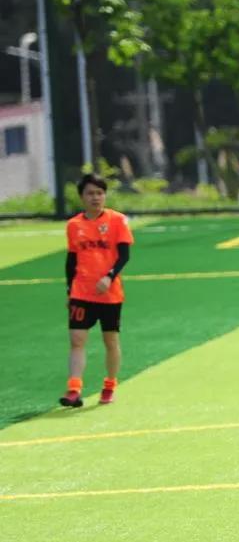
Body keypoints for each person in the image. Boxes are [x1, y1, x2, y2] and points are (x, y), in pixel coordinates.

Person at [61, 173, 134, 408]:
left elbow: (124, 256)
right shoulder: (74, 225)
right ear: (82, 197)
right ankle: (74, 389)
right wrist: (69, 291)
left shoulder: (117, 221)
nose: (96, 197)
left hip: (109, 293)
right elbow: (71, 261)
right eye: (90, 193)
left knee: (110, 340)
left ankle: (110, 384)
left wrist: (109, 277)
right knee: (77, 339)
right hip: (82, 292)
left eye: (100, 193)